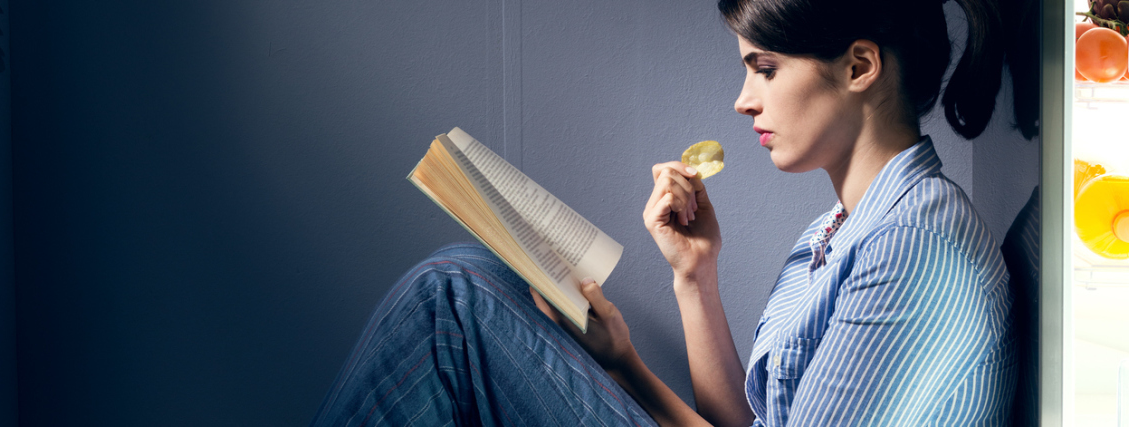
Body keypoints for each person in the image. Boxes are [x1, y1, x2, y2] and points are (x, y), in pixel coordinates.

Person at [311, 0, 1016, 425]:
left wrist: (629, 373)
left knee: (451, 297)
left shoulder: (912, 246)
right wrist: (693, 277)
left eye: (765, 69)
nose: (743, 99)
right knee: (472, 267)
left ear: (860, 67)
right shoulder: (844, 228)